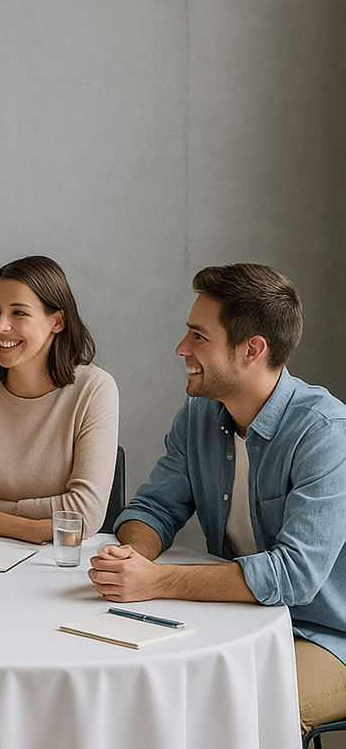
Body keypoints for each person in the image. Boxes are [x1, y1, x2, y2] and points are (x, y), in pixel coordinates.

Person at [89, 264, 346, 733]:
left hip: (326, 635)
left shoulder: (326, 434)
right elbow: (154, 508)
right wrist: (133, 556)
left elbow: (295, 576)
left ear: (252, 350)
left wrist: (157, 582)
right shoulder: (199, 415)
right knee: (143, 701)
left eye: (198, 336)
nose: (181, 348)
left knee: (236, 716)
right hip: (237, 623)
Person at [0, 256, 119, 542]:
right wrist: (28, 529)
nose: (0, 326)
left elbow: (85, 514)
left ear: (57, 321)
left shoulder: (95, 390)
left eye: (18, 313)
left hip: (56, 564)